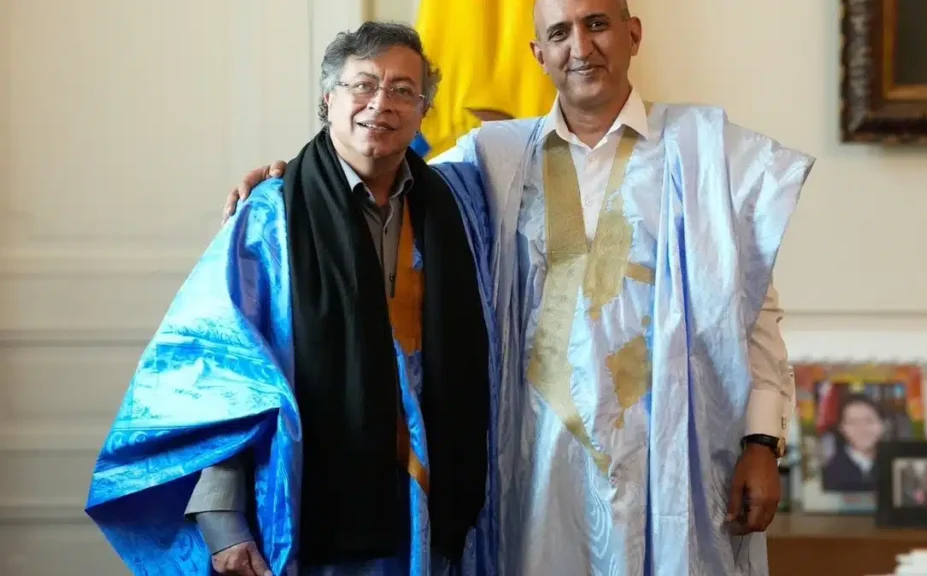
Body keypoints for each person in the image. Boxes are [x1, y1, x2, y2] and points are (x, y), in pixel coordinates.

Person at [224, 0, 815, 573]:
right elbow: (378, 172)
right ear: (538, 53)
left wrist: (761, 440)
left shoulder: (706, 151)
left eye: (597, 24)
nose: (580, 47)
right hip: (533, 468)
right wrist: (292, 179)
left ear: (633, 34)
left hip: (673, 456)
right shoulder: (492, 156)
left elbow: (753, 309)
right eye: (559, 33)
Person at [84, 23, 499, 576]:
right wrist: (224, 525)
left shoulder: (457, 206)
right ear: (328, 100)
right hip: (306, 509)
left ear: (424, 111)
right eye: (363, 85)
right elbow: (221, 375)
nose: (381, 103)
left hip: (424, 510)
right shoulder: (271, 216)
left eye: (404, 90)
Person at [822, 394, 885, 493]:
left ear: (882, 425)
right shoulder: (831, 473)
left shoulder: (895, 466)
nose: (862, 429)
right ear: (842, 429)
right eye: (853, 422)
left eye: (869, 421)